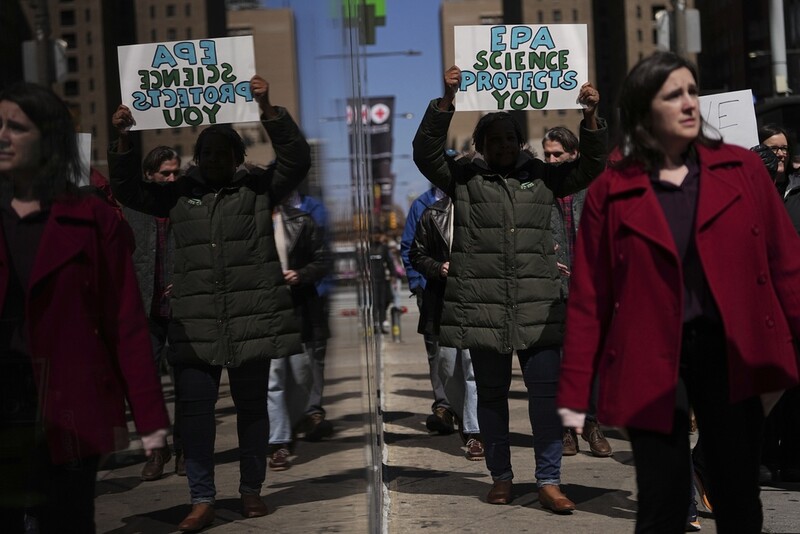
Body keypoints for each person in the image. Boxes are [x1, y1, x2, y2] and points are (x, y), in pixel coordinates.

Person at [557, 51, 800, 533]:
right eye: (674, 95)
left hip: (735, 349)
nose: (690, 103)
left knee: (737, 496)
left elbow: (787, 267)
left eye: (692, 91)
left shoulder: (743, 172)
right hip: (652, 355)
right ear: (646, 108)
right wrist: (574, 391)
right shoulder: (613, 188)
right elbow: (591, 295)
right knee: (662, 502)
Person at [108, 74, 310, 531]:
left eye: (225, 153)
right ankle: (201, 498)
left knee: (252, 409)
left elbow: (297, 159)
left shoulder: (259, 189)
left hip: (251, 317)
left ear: (239, 158)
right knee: (195, 415)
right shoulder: (177, 193)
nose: (216, 159)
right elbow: (129, 191)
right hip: (194, 324)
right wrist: (124, 139)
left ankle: (251, 490)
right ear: (197, 158)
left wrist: (269, 109)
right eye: (208, 153)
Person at [413, 65, 607, 512]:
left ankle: (549, 480)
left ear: (519, 142)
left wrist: (591, 118)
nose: (502, 145)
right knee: (493, 396)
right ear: (480, 145)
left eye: (508, 138)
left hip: (538, 307)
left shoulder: (544, 175)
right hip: (483, 308)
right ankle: (501, 476)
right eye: (493, 139)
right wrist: (446, 100)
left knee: (546, 397)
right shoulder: (463, 178)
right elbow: (424, 153)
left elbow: (593, 165)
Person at [0, 82, 170, 533]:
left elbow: (126, 322)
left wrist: (151, 418)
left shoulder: (92, 220)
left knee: (67, 522)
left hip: (70, 408)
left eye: (15, 127)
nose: (2, 136)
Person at [542, 127, 612, 459]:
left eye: (558, 154)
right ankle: (567, 430)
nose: (551, 160)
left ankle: (592, 423)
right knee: (558, 363)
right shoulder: (541, 188)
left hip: (591, 288)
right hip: (552, 291)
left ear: (574, 154)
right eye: (547, 154)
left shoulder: (594, 186)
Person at [123, 145, 185, 481]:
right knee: (146, 389)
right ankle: (156, 452)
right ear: (149, 175)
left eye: (176, 172)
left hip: (181, 311)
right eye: (165, 173)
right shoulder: (134, 208)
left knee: (187, 385)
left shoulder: (185, 204)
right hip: (145, 311)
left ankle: (184, 450)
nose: (171, 179)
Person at [409, 193, 483, 460]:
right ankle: (466, 419)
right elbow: (416, 254)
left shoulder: (487, 211)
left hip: (478, 301)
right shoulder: (432, 214)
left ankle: (475, 432)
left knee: (473, 367)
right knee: (448, 368)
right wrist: (439, 267)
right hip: (443, 302)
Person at [267, 201, 330, 471]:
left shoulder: (301, 221)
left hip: (299, 308)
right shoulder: (244, 222)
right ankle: (279, 441)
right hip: (264, 312)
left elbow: (323, 259)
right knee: (274, 379)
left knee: (302, 374)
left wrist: (301, 274)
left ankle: (292, 421)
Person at [401, 186, 455, 435]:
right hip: (430, 290)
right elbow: (409, 247)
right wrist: (418, 284)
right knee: (436, 351)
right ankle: (443, 406)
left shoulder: (464, 197)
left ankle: (464, 409)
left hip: (461, 292)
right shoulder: (420, 204)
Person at [286, 190, 336, 441]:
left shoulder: (315, 209)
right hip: (288, 297)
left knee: (314, 355)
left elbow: (324, 252)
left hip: (315, 292)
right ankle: (295, 413)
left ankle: (313, 410)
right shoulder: (270, 212)